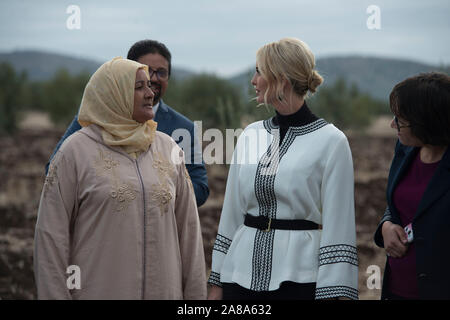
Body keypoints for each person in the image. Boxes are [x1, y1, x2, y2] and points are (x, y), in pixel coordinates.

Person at [34, 57, 207, 299]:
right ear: (113, 94)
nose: (150, 93)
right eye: (139, 87)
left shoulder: (168, 148)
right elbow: (51, 238)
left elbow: (189, 234)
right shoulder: (75, 152)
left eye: (149, 85)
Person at [207, 38, 358, 300]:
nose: (253, 80)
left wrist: (335, 291)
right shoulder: (250, 135)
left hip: (299, 279)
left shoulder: (332, 142)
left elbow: (339, 224)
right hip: (239, 275)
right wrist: (217, 280)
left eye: (258, 71)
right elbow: (231, 213)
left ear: (281, 79)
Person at [45, 40, 209, 207]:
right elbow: (54, 172)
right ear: (127, 73)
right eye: (146, 70)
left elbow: (200, 189)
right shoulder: (94, 118)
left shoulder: (183, 128)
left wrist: (154, 195)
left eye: (161, 72)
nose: (153, 78)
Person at [374, 72, 450, 300]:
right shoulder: (405, 150)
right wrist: (386, 226)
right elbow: (400, 206)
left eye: (400, 119)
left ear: (425, 121)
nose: (391, 124)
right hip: (397, 290)